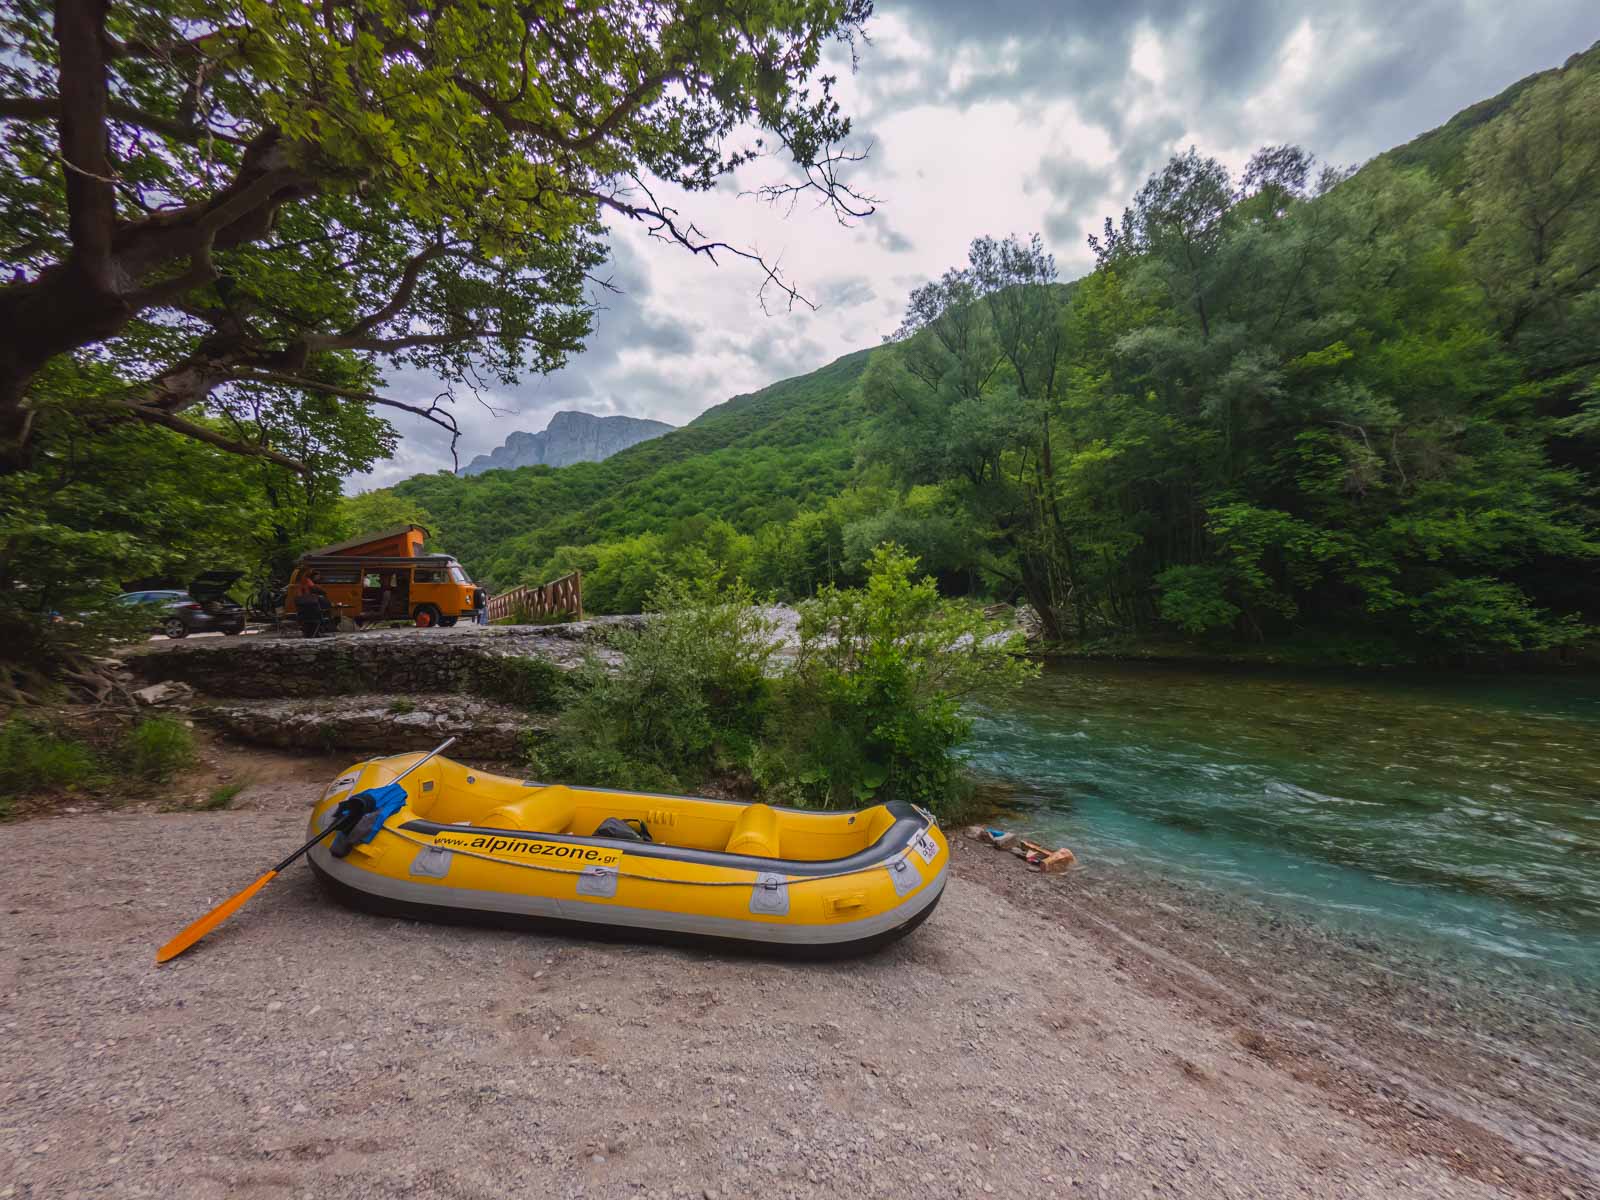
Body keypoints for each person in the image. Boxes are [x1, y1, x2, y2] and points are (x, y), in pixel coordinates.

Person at [295, 569, 332, 637]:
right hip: (311, 608)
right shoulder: (308, 581)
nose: (318, 578)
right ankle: (324, 628)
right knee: (326, 608)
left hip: (303, 609)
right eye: (317, 576)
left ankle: (315, 631)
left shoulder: (302, 582)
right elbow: (315, 589)